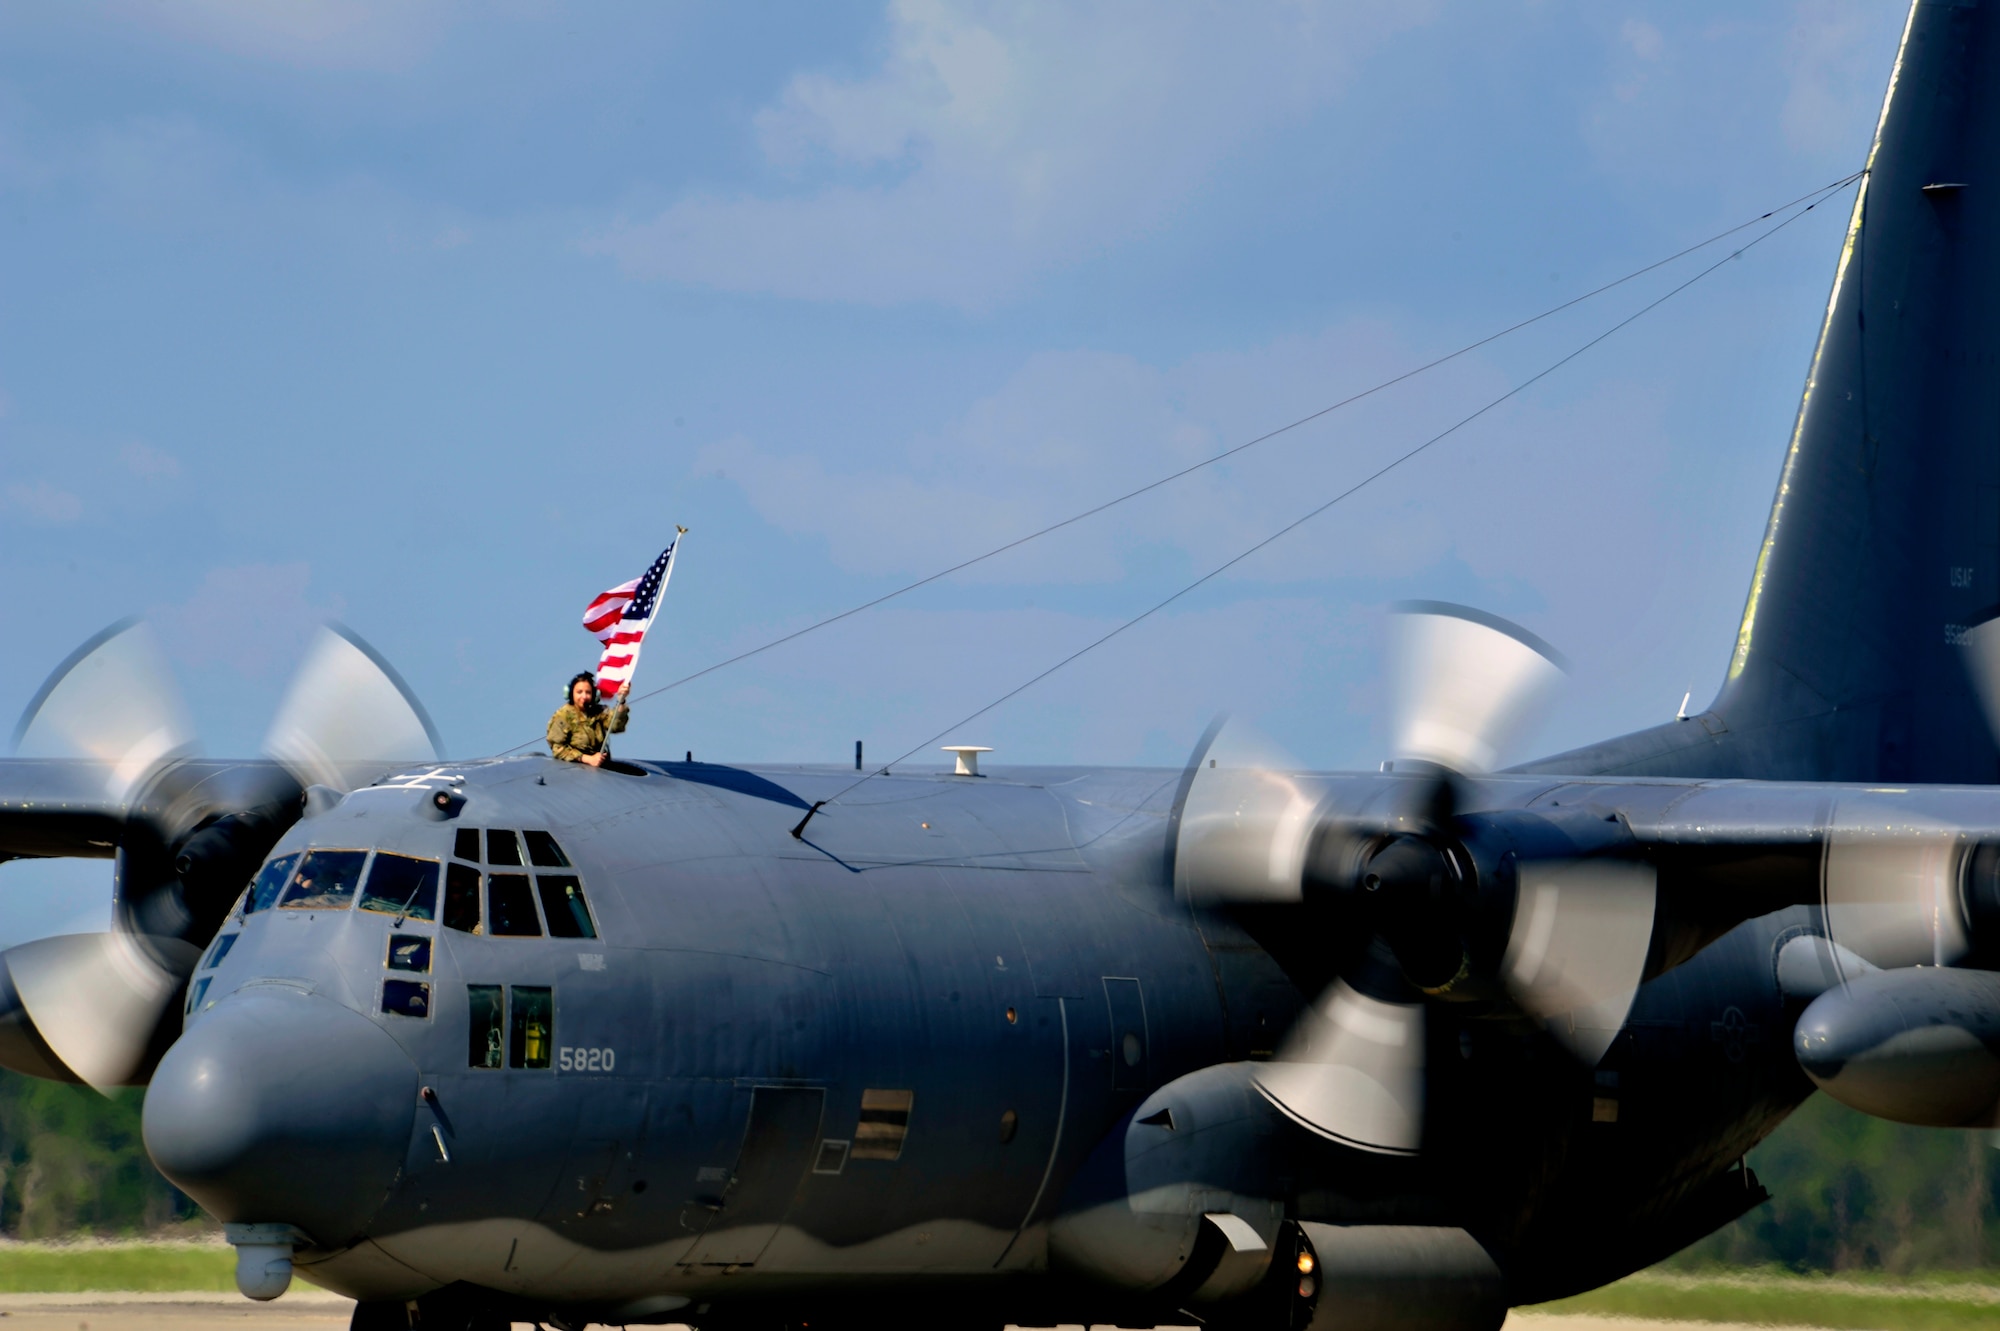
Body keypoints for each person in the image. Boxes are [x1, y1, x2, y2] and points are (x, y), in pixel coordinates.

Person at [548, 672, 629, 767]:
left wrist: (621, 700)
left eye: (588, 692)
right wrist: (587, 759)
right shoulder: (563, 716)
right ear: (571, 693)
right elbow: (558, 748)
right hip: (573, 769)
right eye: (579, 692)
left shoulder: (598, 712)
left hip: (600, 768)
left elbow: (616, 726)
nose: (584, 696)